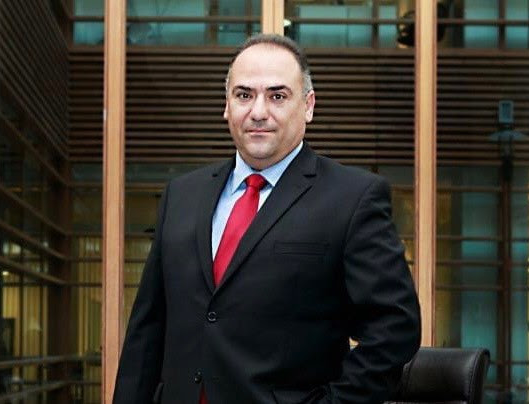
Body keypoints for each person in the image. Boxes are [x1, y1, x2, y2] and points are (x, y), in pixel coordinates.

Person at [113, 34, 420, 404]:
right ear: (227, 106)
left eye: (277, 96)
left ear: (308, 106)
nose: (258, 112)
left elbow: (394, 329)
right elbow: (147, 331)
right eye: (244, 95)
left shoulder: (354, 198)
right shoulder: (181, 196)